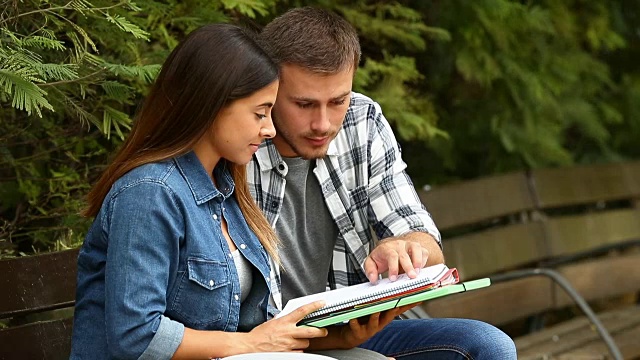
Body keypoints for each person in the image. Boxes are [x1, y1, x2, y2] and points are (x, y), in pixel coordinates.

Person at [71, 23, 386, 360]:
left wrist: (335, 338)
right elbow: (136, 336)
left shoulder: (224, 190)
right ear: (213, 105)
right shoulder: (150, 193)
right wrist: (251, 345)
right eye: (260, 113)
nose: (269, 129)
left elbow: (247, 331)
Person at [248, 7, 518, 359]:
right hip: (268, 342)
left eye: (338, 100)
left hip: (358, 331)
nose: (323, 123)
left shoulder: (362, 119)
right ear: (270, 87)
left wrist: (405, 247)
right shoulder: (240, 137)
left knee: (490, 347)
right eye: (304, 104)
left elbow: (426, 243)